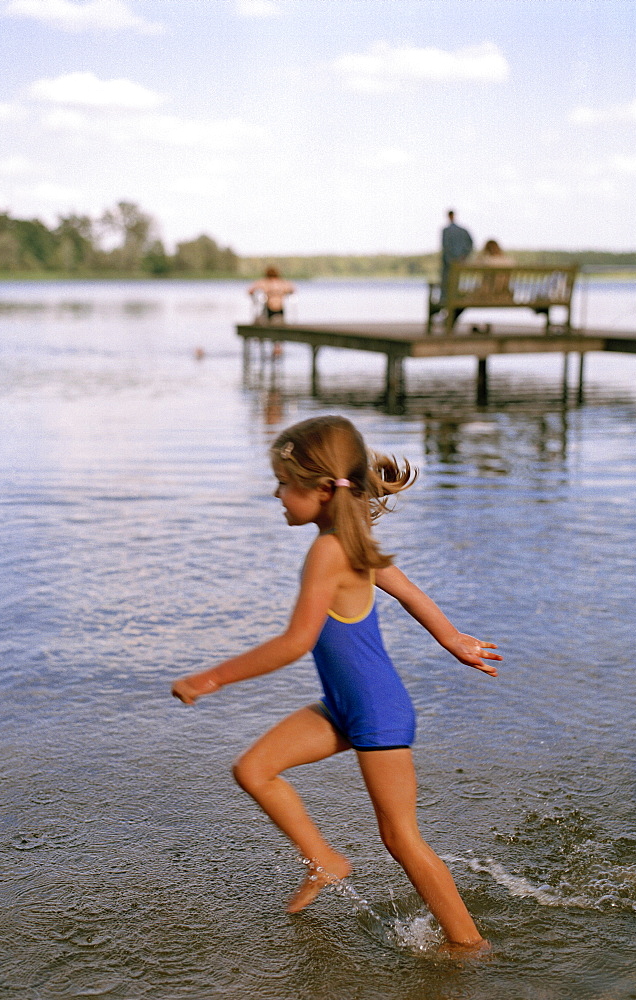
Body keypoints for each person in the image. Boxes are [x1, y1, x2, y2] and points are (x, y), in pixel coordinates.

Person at [171, 415, 501, 951]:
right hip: (344, 706)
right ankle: (324, 859)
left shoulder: (328, 550)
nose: (277, 494)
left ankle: (467, 943)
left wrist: (212, 678)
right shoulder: (348, 539)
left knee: (400, 837)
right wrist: (453, 640)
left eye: (284, 484)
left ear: (322, 490)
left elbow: (296, 641)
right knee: (254, 769)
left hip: (375, 712)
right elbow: (410, 592)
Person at [440, 210, 473, 325]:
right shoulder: (463, 230)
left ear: (449, 216)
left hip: (450, 267)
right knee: (456, 289)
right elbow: (470, 244)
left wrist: (452, 260)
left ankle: (448, 318)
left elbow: (445, 247)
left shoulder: (446, 231)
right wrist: (463, 257)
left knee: (447, 289)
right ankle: (449, 318)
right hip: (460, 266)